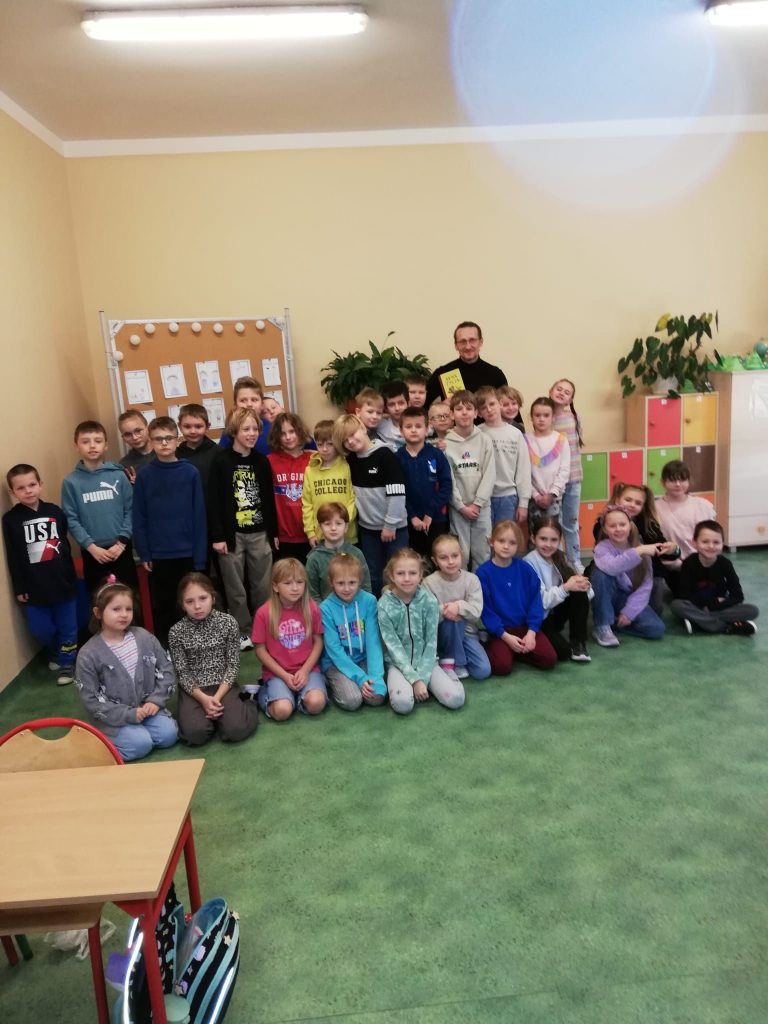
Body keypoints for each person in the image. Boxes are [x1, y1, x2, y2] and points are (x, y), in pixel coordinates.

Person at [74, 575, 178, 761]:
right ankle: (110, 739)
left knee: (168, 735)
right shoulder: (88, 653)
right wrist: (128, 714)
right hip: (114, 717)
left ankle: (137, 732)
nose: (124, 614)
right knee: (141, 744)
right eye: (116, 609)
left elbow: (166, 669)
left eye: (128, 609)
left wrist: (156, 700)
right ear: (98, 612)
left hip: (147, 709)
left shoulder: (144, 637)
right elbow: (90, 699)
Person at [132, 417, 207, 646]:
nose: (164, 443)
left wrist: (200, 556)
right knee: (164, 604)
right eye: (158, 439)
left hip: (187, 552)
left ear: (177, 440)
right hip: (159, 553)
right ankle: (167, 647)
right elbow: (139, 516)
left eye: (168, 438)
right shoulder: (144, 475)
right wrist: (144, 552)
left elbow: (199, 516)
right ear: (151, 441)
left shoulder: (190, 472)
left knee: (191, 602)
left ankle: (195, 645)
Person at [3, 463, 78, 685]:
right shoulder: (10, 520)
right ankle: (55, 650)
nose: (28, 491)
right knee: (40, 629)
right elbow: (13, 556)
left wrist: (70, 575)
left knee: (68, 627)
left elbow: (63, 542)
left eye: (32, 484)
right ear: (12, 492)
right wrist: (19, 587)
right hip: (34, 587)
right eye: (21, 488)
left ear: (40, 485)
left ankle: (68, 663)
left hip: (62, 582)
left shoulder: (54, 511)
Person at [207, 407, 276, 650]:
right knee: (235, 588)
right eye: (246, 429)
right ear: (234, 431)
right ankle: (242, 631)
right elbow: (214, 502)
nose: (252, 433)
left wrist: (273, 533)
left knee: (263, 586)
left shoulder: (261, 461)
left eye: (255, 429)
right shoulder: (221, 461)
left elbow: (269, 499)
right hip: (231, 535)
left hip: (260, 532)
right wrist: (218, 535)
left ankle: (263, 628)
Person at [168, 573, 258, 745]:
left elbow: (232, 665)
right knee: (195, 734)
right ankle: (213, 718)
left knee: (237, 729)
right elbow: (182, 672)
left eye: (203, 598)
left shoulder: (228, 623)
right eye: (189, 601)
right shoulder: (176, 632)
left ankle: (249, 702)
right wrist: (203, 699)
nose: (197, 606)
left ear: (213, 598)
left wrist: (216, 697)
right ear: (182, 604)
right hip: (194, 690)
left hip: (223, 685)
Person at [377, 547, 465, 714]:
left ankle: (447, 676)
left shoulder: (429, 601)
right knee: (403, 704)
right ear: (392, 576)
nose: (407, 578)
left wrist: (422, 678)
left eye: (412, 573)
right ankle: (410, 687)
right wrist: (414, 680)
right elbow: (393, 647)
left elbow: (431, 642)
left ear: (420, 575)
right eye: (401, 573)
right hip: (398, 665)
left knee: (456, 699)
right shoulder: (384, 605)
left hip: (427, 662)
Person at [333, 413, 408, 597]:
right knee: (373, 576)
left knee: (397, 575)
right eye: (345, 440)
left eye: (353, 434)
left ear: (363, 428)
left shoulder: (385, 455)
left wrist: (390, 525)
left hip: (394, 529)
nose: (350, 441)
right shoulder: (351, 461)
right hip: (368, 531)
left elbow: (397, 493)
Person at [61, 420, 137, 594]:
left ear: (106, 445)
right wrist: (91, 547)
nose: (92, 446)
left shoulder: (119, 475)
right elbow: (71, 518)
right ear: (76, 446)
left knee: (130, 597)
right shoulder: (71, 482)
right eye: (85, 441)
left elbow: (131, 509)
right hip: (92, 553)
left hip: (121, 549)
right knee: (99, 599)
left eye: (98, 441)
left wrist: (122, 543)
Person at [475, 520, 557, 675]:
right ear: (491, 542)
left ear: (518, 545)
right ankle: (498, 647)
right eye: (501, 541)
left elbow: (535, 601)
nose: (506, 546)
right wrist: (505, 636)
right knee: (502, 667)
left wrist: (532, 632)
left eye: (512, 543)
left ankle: (516, 652)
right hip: (501, 632)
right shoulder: (483, 573)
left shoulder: (525, 569)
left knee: (549, 659)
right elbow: (486, 611)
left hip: (525, 628)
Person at [251, 558, 327, 721]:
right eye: (288, 583)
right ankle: (264, 692)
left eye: (300, 582)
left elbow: (318, 641)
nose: (295, 588)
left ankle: (294, 696)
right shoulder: (264, 613)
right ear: (275, 586)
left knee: (316, 704)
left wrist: (305, 670)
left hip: (307, 669)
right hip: (277, 673)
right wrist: (285, 676)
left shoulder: (311, 608)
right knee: (282, 711)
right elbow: (260, 650)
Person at [594, 481, 678, 613]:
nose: (632, 505)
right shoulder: (603, 524)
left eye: (638, 503)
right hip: (617, 570)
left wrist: (674, 550)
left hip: (645, 573)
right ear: (617, 499)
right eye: (628, 500)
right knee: (598, 574)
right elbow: (604, 554)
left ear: (643, 507)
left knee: (654, 611)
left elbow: (662, 549)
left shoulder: (649, 525)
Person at [591, 505, 666, 647]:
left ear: (630, 526)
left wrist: (629, 613)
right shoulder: (602, 548)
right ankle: (603, 625)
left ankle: (613, 623)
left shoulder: (642, 550)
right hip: (609, 596)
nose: (618, 529)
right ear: (605, 529)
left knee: (657, 629)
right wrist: (638, 552)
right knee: (600, 574)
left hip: (628, 599)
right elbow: (613, 567)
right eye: (612, 526)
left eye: (622, 524)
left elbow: (645, 587)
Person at [320, 552, 387, 711]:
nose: (346, 588)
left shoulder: (369, 601)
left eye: (352, 582)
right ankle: (330, 680)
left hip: (363, 658)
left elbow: (373, 641)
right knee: (353, 701)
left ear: (359, 581)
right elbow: (334, 649)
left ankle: (358, 681)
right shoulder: (325, 608)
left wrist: (375, 676)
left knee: (376, 697)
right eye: (340, 583)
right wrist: (361, 678)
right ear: (331, 582)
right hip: (336, 663)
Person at [670, 520, 759, 636]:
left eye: (716, 542)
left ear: (722, 544)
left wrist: (717, 605)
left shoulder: (725, 564)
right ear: (694, 543)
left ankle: (699, 622)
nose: (711, 546)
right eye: (705, 542)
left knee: (753, 610)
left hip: (720, 607)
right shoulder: (688, 563)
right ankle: (727, 627)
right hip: (697, 606)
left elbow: (738, 595)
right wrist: (712, 602)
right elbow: (684, 595)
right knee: (677, 605)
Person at [423, 533, 491, 680]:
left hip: (467, 634)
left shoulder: (472, 579)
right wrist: (446, 610)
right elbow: (427, 615)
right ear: (435, 561)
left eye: (455, 556)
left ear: (462, 554)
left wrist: (458, 607)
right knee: (451, 619)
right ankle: (455, 663)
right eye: (443, 558)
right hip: (441, 635)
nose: (450, 561)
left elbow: (476, 612)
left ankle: (453, 659)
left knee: (483, 670)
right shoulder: (428, 583)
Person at [524, 516, 592, 662]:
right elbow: (541, 602)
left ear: (560, 540)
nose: (548, 545)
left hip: (554, 611)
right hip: (538, 617)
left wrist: (584, 586)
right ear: (533, 538)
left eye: (554, 540)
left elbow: (586, 595)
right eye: (543, 539)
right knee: (563, 653)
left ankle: (578, 642)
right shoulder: (528, 563)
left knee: (578, 591)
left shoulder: (560, 556)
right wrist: (566, 587)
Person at [444, 390, 495, 570]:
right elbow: (448, 479)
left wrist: (478, 503)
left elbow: (489, 475)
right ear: (452, 414)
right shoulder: (445, 443)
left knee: (483, 552)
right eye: (459, 409)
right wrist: (460, 506)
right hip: (458, 509)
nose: (464, 412)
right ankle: (462, 585)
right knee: (461, 553)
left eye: (468, 408)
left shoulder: (485, 440)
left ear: (476, 413)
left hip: (482, 508)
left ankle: (480, 586)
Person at [396, 406, 452, 558]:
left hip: (436, 518)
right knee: (414, 560)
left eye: (418, 426)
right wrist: (412, 516)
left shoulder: (436, 455)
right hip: (409, 520)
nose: (414, 430)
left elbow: (446, 485)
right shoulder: (397, 458)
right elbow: (398, 491)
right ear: (401, 431)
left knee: (437, 557)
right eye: (408, 426)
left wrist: (430, 513)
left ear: (427, 429)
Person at [654, 459, 716, 597]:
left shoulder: (703, 505)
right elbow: (657, 543)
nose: (678, 484)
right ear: (663, 482)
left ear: (689, 481)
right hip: (675, 567)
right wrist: (679, 565)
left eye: (682, 479)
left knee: (717, 592)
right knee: (693, 596)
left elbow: (712, 538)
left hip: (703, 563)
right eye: (672, 480)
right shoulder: (655, 509)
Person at [476, 386, 531, 527]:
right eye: (483, 408)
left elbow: (523, 469)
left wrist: (523, 503)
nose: (489, 409)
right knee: (485, 538)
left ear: (500, 404)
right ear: (479, 413)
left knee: (505, 536)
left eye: (492, 404)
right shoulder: (476, 433)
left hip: (508, 497)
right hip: (482, 498)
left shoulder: (516, 434)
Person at [425, 321, 508, 407]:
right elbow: (422, 407)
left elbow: (507, 407)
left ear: (481, 342)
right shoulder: (443, 373)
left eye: (472, 340)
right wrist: (442, 406)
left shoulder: (496, 374)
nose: (468, 346)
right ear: (456, 345)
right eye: (462, 341)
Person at [302, 420, 357, 547]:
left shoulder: (347, 466)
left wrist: (343, 523)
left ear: (337, 443)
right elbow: (307, 504)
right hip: (321, 536)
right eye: (320, 445)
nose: (325, 449)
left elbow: (353, 499)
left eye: (330, 444)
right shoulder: (310, 470)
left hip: (347, 534)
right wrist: (310, 532)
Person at [268, 412, 313, 563]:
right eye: (283, 433)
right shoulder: (269, 461)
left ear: (300, 431)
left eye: (292, 431)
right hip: (283, 537)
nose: (288, 437)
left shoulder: (313, 460)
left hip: (309, 534)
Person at [550, 379, 585, 571]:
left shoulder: (575, 417)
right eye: (559, 389)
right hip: (553, 482)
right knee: (553, 524)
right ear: (551, 391)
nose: (562, 393)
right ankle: (557, 562)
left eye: (567, 392)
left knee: (571, 523)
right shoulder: (545, 416)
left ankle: (575, 561)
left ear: (571, 399)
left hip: (573, 479)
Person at [306, 502, 370, 602]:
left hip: (356, 609)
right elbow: (312, 594)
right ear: (320, 527)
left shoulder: (357, 554)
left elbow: (366, 587)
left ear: (346, 527)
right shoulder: (314, 558)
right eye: (327, 524)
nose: (333, 528)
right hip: (326, 611)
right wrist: (323, 610)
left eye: (338, 523)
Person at [524, 397, 570, 535]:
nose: (541, 419)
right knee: (535, 536)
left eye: (546, 415)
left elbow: (564, 470)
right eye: (537, 415)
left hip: (554, 499)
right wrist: (535, 495)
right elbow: (523, 473)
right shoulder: (525, 440)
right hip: (533, 500)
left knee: (553, 535)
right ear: (531, 417)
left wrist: (552, 493)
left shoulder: (561, 440)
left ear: (553, 417)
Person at [218, 376, 269, 454]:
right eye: (243, 400)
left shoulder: (273, 430)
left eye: (254, 400)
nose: (249, 404)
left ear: (262, 404)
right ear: (235, 405)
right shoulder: (229, 432)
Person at [177, 403, 219, 492]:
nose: (193, 431)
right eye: (187, 426)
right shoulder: (176, 455)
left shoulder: (219, 453)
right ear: (180, 426)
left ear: (207, 427)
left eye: (198, 426)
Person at [118, 409, 155, 482]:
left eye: (138, 431)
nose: (134, 437)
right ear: (123, 438)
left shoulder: (166, 452)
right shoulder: (125, 465)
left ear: (147, 428)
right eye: (128, 434)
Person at [376, 380, 409, 452]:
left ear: (408, 403)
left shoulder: (418, 423)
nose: (397, 408)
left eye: (401, 403)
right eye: (391, 404)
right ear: (385, 408)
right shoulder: (381, 425)